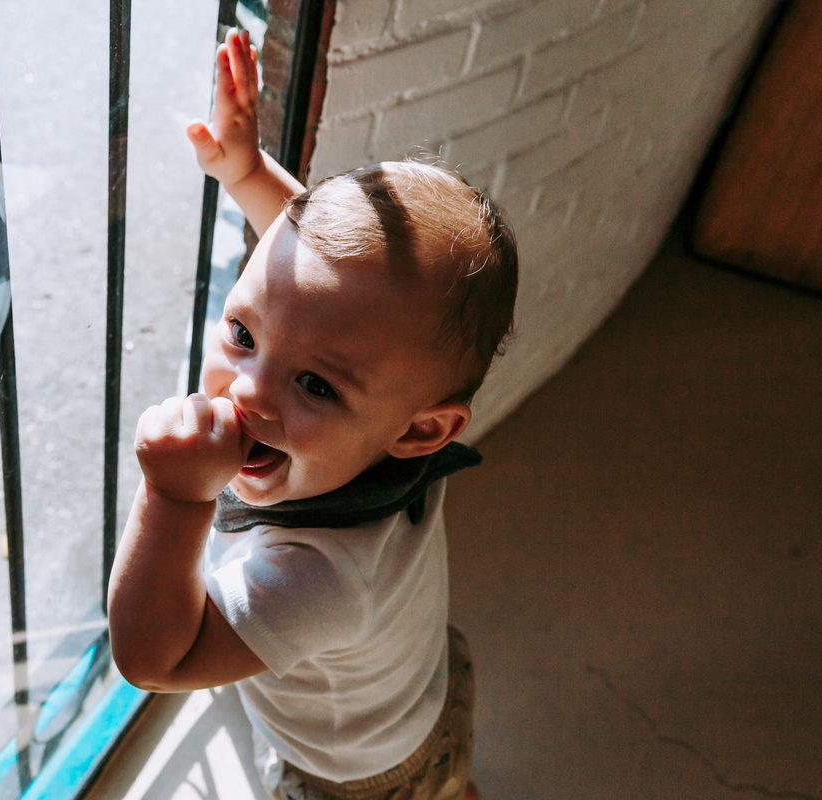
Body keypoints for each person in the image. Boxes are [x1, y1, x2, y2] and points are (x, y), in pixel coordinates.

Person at [107, 27, 517, 800]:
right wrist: (246, 171)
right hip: (420, 686)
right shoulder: (396, 420)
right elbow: (316, 291)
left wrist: (172, 498)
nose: (248, 393)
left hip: (355, 774)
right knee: (445, 776)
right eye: (241, 334)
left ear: (422, 429)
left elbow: (154, 659)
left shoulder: (313, 577)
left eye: (316, 387)